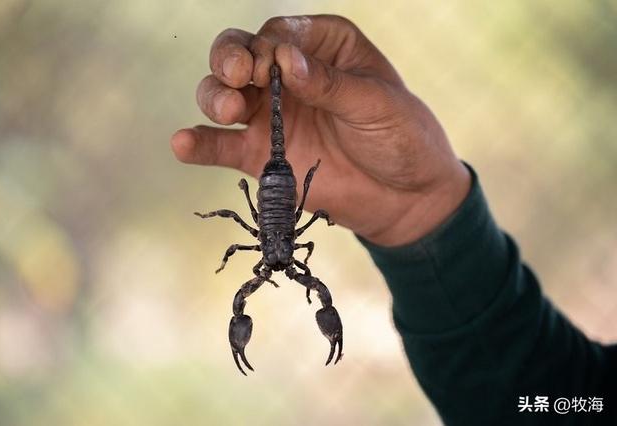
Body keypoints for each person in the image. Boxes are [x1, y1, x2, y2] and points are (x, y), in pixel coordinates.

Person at [170, 15, 616, 425]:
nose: (287, 271)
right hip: (283, 195)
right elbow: (550, 396)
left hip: (275, 200)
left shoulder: (271, 260)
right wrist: (420, 218)